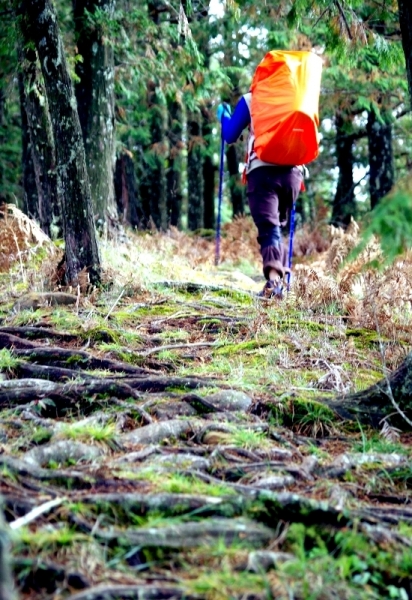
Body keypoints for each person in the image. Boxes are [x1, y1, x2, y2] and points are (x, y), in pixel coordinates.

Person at [217, 94, 304, 298]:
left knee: (269, 228)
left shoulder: (252, 98)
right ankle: (281, 285)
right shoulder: (300, 96)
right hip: (294, 173)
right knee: (276, 227)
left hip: (263, 170)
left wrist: (224, 116)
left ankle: (274, 285)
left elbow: (230, 135)